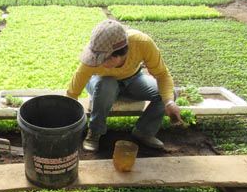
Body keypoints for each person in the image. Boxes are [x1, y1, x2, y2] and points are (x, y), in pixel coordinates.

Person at [66, 19, 182, 152]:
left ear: (118, 55)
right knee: (107, 85)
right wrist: (68, 115)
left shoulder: (142, 42)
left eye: (103, 59)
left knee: (169, 94)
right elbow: (73, 91)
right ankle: (95, 133)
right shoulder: (95, 52)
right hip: (100, 82)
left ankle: (144, 132)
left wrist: (169, 102)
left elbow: (162, 74)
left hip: (133, 79)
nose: (97, 62)